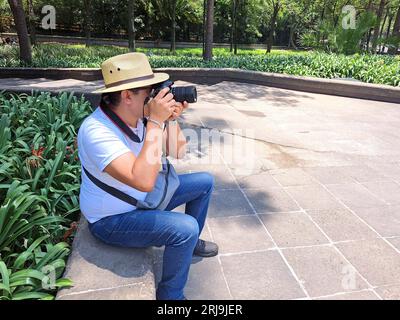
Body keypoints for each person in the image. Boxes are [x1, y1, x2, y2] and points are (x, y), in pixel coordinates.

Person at [77, 52, 219, 300]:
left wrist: (171, 120)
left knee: (204, 182)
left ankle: (192, 242)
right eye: (149, 92)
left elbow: (178, 150)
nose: (155, 98)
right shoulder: (96, 130)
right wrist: (155, 121)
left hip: (143, 198)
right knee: (184, 228)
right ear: (127, 95)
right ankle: (171, 297)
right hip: (112, 219)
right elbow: (142, 179)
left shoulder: (138, 117)